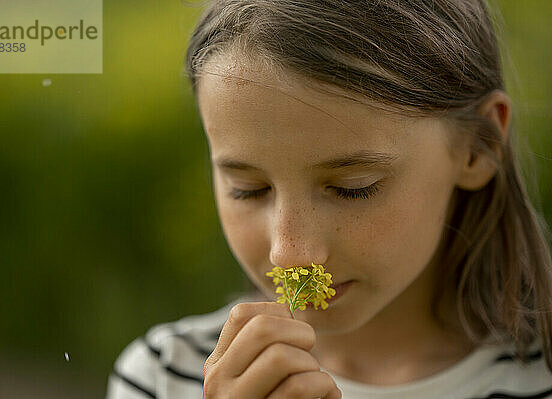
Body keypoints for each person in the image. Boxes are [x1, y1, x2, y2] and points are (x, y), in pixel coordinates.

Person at [106, 0, 552, 397]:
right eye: (249, 189)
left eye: (352, 187)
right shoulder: (165, 376)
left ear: (478, 146)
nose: (291, 254)